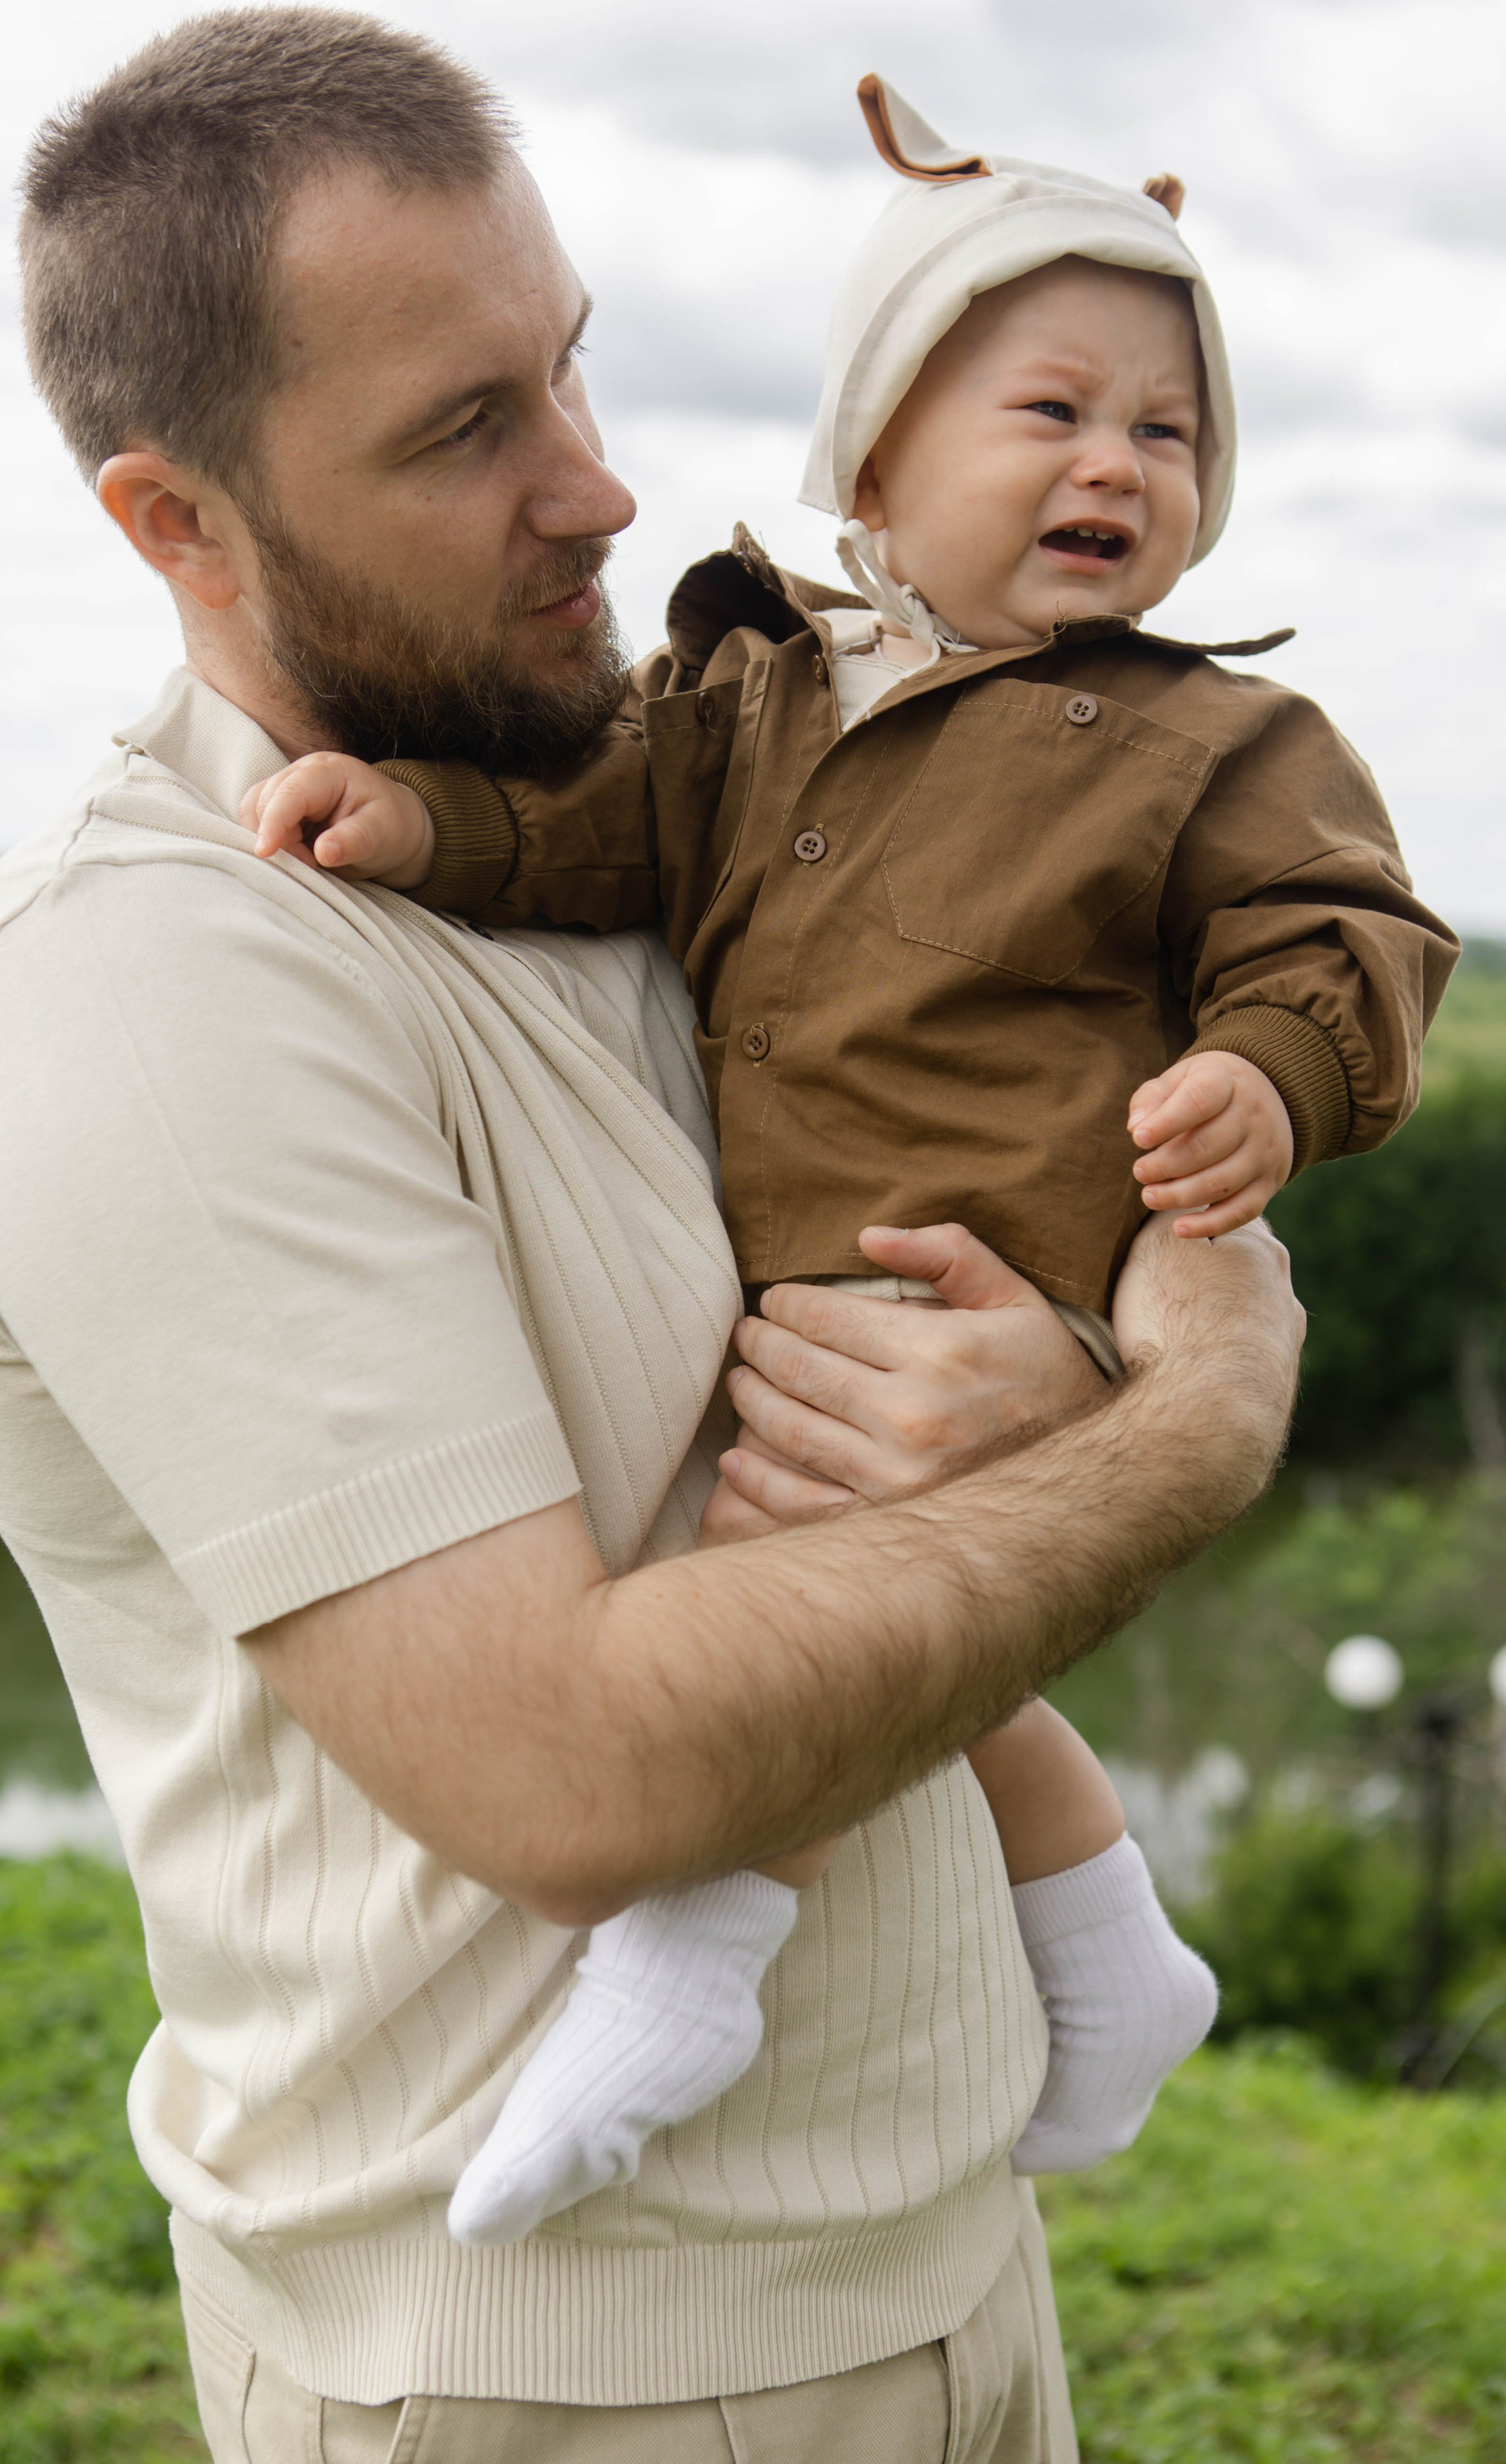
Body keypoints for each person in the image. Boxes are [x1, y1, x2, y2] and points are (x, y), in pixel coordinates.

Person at [0, 18, 1304, 2464]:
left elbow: (1011, 1136)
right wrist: (1185, 1431)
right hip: (571, 2425)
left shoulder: (648, 819)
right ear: (173, 516)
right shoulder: (156, 999)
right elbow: (576, 1780)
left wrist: (1073, 1336)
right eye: (462, 431)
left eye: (572, 362)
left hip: (937, 2284)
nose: (602, 486)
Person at [242, 72, 1459, 2247]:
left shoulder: (1213, 741)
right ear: (881, 455)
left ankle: (686, 1964)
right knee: (937, 1656)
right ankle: (1117, 1955)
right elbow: (601, 822)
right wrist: (428, 825)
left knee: (787, 1561)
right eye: (1052, 411)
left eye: (1167, 435)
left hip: (982, 1271)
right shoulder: (753, 686)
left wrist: (1267, 1076)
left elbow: (1344, 933)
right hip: (801, 1256)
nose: (1116, 463)